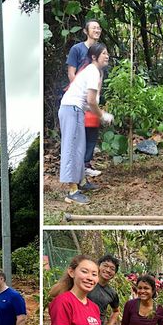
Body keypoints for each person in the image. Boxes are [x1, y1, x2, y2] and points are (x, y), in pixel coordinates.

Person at [58, 42, 113, 205]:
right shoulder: (93, 72)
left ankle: (81, 182)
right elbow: (90, 101)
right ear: (94, 57)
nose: (107, 55)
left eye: (107, 53)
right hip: (72, 110)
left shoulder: (95, 72)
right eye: (103, 53)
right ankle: (72, 191)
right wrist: (103, 115)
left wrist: (101, 113)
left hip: (75, 110)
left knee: (79, 148)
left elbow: (90, 102)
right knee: (73, 149)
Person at [87, 255, 122, 325]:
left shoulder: (112, 293)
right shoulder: (86, 282)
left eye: (112, 268)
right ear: (98, 266)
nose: (108, 270)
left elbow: (116, 311)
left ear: (114, 273)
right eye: (105, 266)